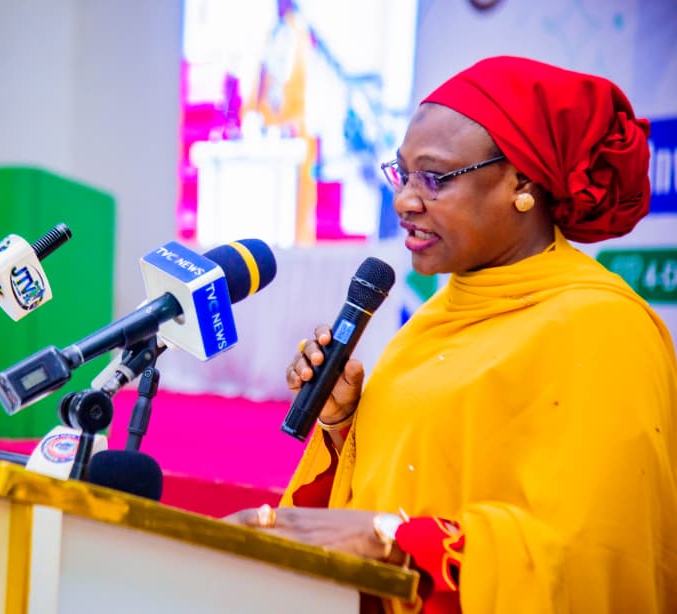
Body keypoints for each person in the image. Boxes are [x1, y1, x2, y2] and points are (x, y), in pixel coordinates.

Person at [225, 56, 677, 613]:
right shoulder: (434, 321)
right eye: (402, 174)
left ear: (521, 182)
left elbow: (594, 556)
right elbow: (412, 478)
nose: (404, 201)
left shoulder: (604, 327)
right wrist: (343, 424)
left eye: (434, 178)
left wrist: (393, 540)